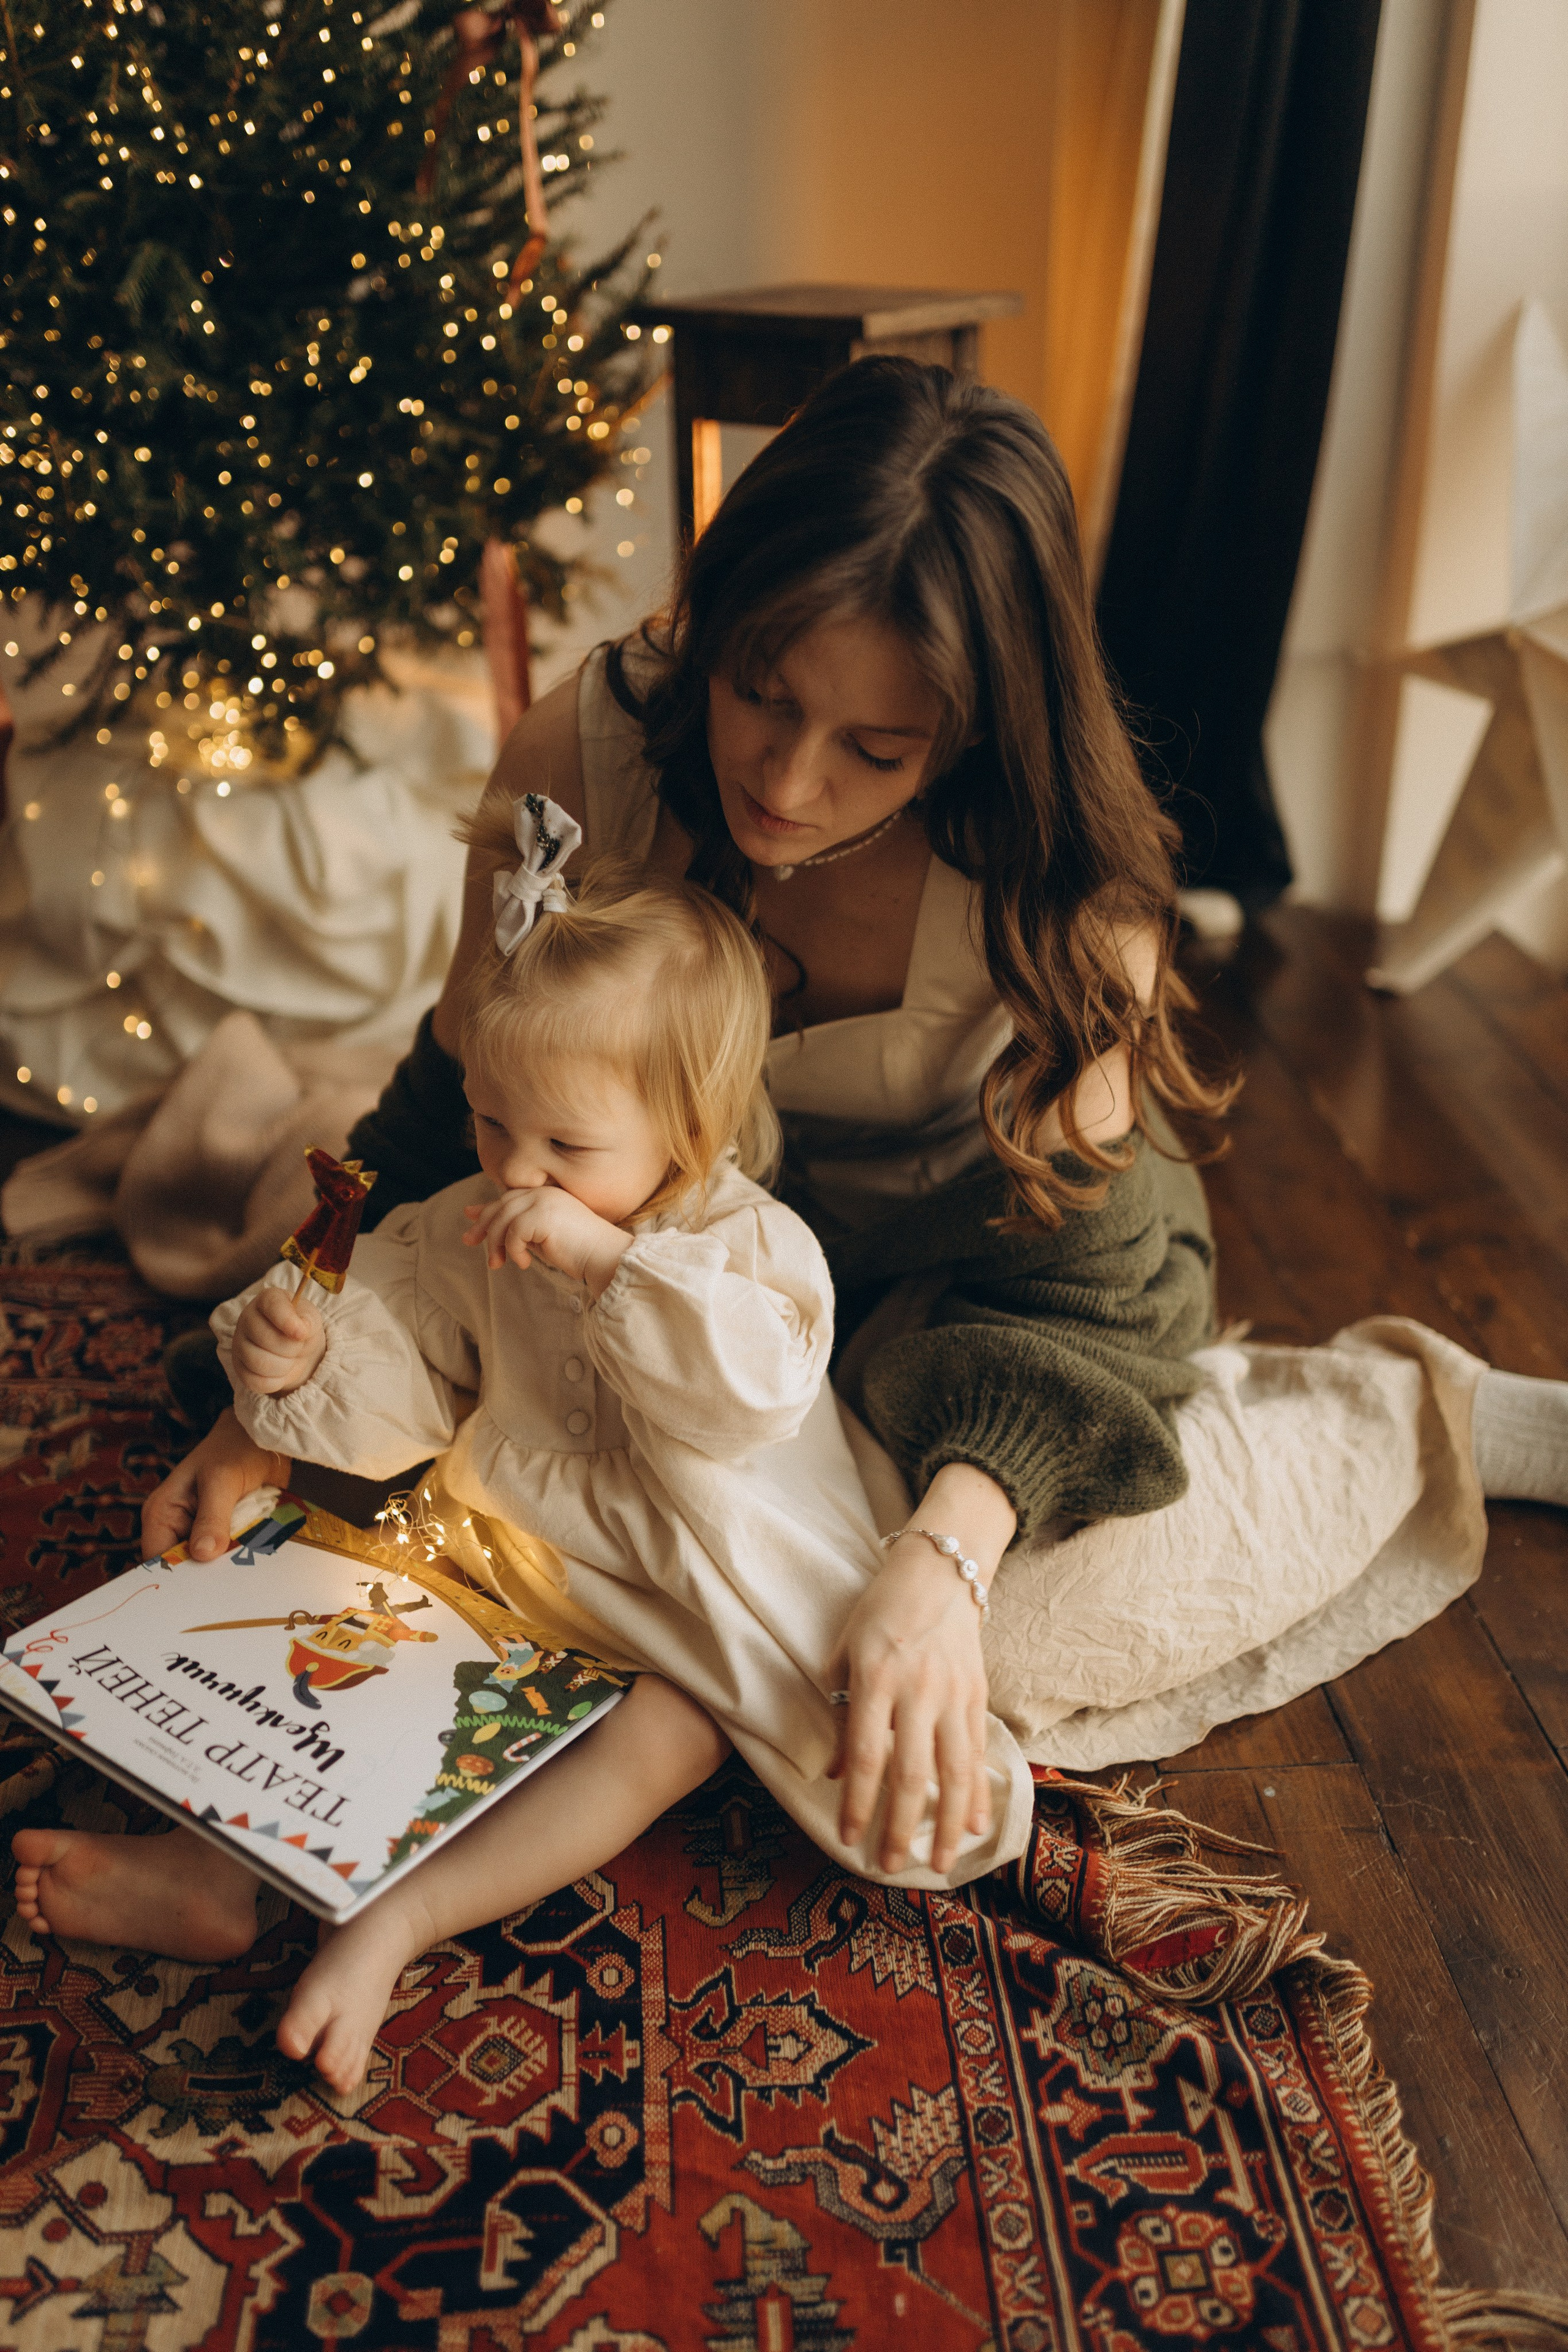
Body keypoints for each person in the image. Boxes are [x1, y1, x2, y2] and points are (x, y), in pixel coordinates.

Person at [34, 357, 1566, 2010]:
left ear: (972, 736)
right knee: (390, 1480)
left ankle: (1428, 1415)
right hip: (626, 1292)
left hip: (968, 1307)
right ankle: (266, 1849)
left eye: (877, 749)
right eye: (762, 693)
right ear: (716, 618)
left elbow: (1094, 1294)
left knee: (950, 1667)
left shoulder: (1060, 911)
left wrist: (946, 1565)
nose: (788, 782)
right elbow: (450, 1103)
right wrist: (259, 1414)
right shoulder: (588, 761)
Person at [13, 840, 1036, 2093]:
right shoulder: (481, 1206)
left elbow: (751, 1389)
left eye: (567, 1143)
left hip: (672, 1579)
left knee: (671, 1737)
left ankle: (402, 1916)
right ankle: (227, 1865)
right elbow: (400, 1333)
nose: (517, 1170)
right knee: (352, 1589)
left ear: (689, 1133)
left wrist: (607, 1263)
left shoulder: (745, 1245)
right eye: (493, 1121)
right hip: (505, 1539)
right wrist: (298, 1354)